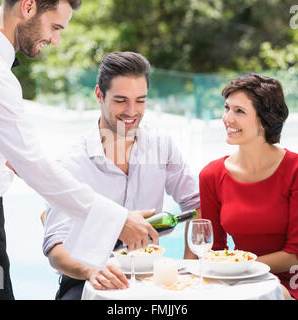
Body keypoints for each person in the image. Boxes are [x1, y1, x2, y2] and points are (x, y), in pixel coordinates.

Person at [0, 0, 157, 300]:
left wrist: (1, 156)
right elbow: (35, 165)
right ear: (29, 6)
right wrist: (118, 220)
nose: (55, 40)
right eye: (55, 27)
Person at [42, 51, 201, 300]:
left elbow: (196, 204)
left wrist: (189, 268)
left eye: (140, 100)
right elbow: (55, 249)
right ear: (99, 95)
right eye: (120, 100)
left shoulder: (161, 145)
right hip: (88, 278)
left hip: (150, 276)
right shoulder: (71, 162)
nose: (132, 111)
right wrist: (92, 270)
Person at [198, 73, 298, 300]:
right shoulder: (211, 175)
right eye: (226, 108)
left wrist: (239, 268)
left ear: (265, 120)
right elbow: (216, 249)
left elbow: (295, 255)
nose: (227, 118)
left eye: (239, 111)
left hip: (296, 283)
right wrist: (233, 273)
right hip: (240, 280)